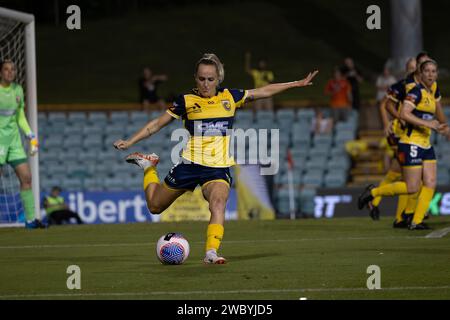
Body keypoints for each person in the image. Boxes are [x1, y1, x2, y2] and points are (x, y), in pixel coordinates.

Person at [114, 53, 318, 264]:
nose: (205, 83)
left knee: (218, 203)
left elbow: (264, 91)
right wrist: (130, 141)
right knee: (155, 206)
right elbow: (156, 124)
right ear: (195, 77)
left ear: (218, 79)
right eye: (201, 78)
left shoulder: (230, 97)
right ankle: (149, 166)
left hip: (217, 168)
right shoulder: (186, 101)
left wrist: (296, 83)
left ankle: (211, 252)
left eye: (210, 79)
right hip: (189, 165)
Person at [358, 59, 449, 230]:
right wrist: (428, 124)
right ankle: (373, 194)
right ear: (420, 74)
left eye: (433, 71)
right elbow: (403, 113)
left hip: (425, 144)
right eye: (427, 71)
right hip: (411, 142)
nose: (430, 74)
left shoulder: (432, 90)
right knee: (411, 186)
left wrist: (445, 129)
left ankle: (416, 221)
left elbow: (435, 116)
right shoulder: (415, 91)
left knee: (430, 182)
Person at [369, 57, 417, 221]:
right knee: (406, 174)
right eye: (410, 68)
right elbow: (384, 103)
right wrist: (386, 123)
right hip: (399, 133)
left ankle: (374, 200)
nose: (413, 71)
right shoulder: (402, 86)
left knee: (397, 173)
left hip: (408, 133)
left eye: (415, 68)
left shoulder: (419, 87)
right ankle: (401, 217)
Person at [0, 59, 45, 229]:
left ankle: (31, 221)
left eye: (13, 69)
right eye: (6, 69)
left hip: (14, 142)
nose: (10, 72)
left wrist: (31, 136)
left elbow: (19, 116)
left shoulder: (18, 90)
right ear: (0, 72)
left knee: (27, 177)